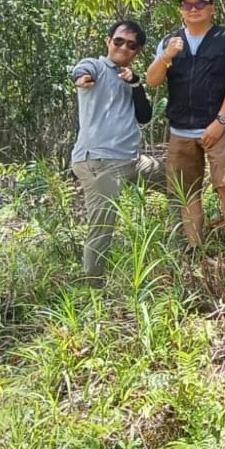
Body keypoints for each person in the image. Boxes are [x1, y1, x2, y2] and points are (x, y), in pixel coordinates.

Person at [145, 0, 225, 255]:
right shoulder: (170, 41)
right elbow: (152, 80)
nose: (193, 10)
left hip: (218, 128)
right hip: (180, 131)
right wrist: (166, 56)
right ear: (180, 10)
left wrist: (220, 121)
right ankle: (195, 247)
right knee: (187, 192)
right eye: (187, 5)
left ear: (211, 8)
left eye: (199, 4)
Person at [70, 20, 165, 284]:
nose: (124, 47)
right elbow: (80, 71)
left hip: (132, 160)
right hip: (100, 161)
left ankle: (180, 248)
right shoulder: (96, 66)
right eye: (119, 41)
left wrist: (135, 83)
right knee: (102, 227)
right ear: (108, 41)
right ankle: (92, 291)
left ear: (138, 51)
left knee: (177, 182)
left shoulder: (129, 78)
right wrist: (80, 79)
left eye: (131, 45)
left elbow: (144, 116)